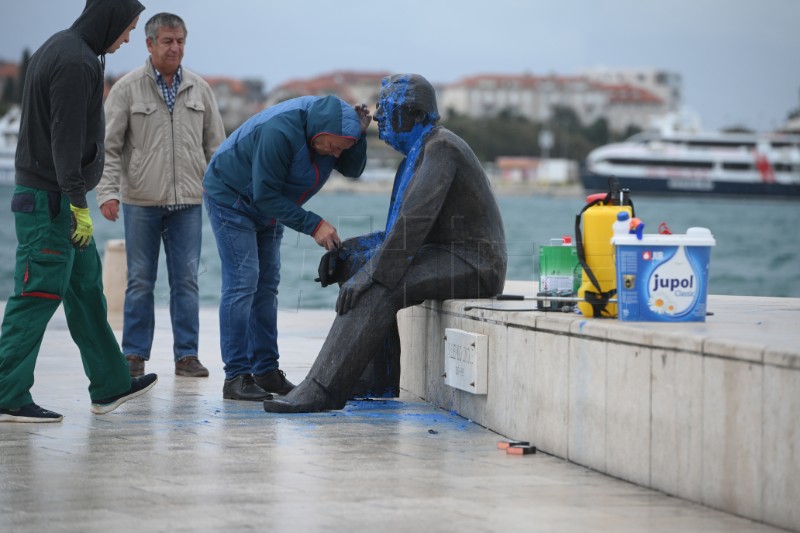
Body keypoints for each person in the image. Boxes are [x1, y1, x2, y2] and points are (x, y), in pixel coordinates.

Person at [263, 74, 508, 414]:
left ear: (416, 115)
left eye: (387, 109)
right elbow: (397, 232)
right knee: (354, 263)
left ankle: (322, 389)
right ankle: (373, 378)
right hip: (443, 251)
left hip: (474, 263)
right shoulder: (416, 155)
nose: (377, 118)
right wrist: (348, 252)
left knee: (379, 286)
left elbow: (412, 228)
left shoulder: (442, 150)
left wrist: (370, 275)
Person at [0, 0, 158, 424]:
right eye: (128, 27)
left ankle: (110, 385)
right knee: (36, 296)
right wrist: (77, 203)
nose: (127, 38)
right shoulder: (74, 61)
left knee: (87, 292)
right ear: (110, 18)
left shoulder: (67, 49)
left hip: (58, 200)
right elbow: (64, 140)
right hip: (52, 204)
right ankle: (6, 394)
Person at [203, 95, 371, 401]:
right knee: (243, 281)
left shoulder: (332, 138)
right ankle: (236, 377)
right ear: (317, 133)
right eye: (332, 146)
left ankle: (266, 371)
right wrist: (314, 225)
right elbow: (265, 195)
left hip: (270, 206)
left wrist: (358, 138)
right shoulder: (280, 132)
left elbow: (353, 170)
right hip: (232, 198)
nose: (335, 154)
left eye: (340, 149)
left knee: (267, 285)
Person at [96, 12, 225, 379]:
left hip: (189, 203)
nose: (175, 47)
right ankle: (134, 355)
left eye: (181, 40)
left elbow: (217, 149)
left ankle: (187, 356)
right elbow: (109, 146)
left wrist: (224, 195)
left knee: (187, 279)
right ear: (149, 44)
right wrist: (108, 192)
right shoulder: (126, 89)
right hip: (141, 201)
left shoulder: (200, 89)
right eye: (167, 41)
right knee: (140, 280)